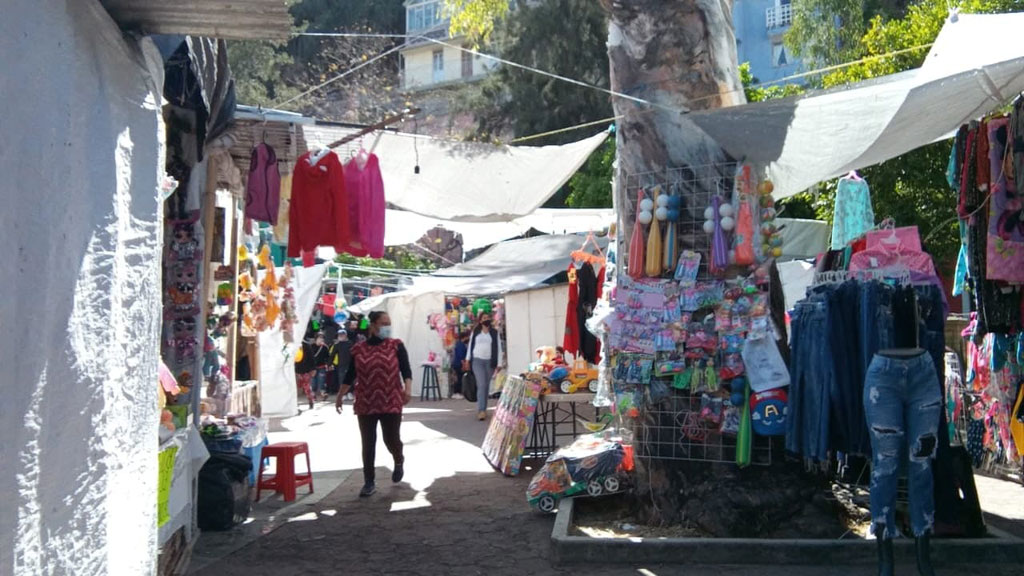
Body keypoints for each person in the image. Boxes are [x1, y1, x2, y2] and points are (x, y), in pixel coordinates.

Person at [336, 311, 413, 497]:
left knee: (391, 438)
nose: (387, 327)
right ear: (372, 325)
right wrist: (340, 395)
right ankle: (368, 481)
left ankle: (398, 459)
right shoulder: (358, 349)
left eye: (389, 323)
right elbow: (350, 374)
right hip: (366, 400)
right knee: (368, 442)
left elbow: (406, 370)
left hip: (391, 399)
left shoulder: (396, 346)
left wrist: (407, 389)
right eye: (383, 323)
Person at [466, 312, 502, 421]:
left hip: (490, 361)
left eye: (488, 317)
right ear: (480, 321)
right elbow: (471, 346)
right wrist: (467, 359)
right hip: (477, 360)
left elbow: (499, 348)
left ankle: (484, 409)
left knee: (486, 386)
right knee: (481, 384)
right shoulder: (476, 332)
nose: (486, 319)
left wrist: (499, 363)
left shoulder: (494, 333)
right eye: (484, 318)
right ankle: (481, 410)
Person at [327, 329, 352, 397]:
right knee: (342, 380)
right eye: (339, 335)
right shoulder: (337, 345)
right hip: (341, 365)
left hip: (350, 365)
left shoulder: (350, 344)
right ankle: (343, 394)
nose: (341, 336)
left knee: (350, 379)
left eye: (342, 335)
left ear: (346, 335)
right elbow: (332, 355)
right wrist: (329, 364)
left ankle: (349, 392)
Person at [450, 331, 469, 400]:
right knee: (459, 379)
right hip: (459, 364)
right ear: (464, 337)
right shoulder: (461, 345)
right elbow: (461, 356)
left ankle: (457, 392)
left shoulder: (459, 344)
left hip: (457, 363)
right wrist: (464, 364)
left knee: (458, 378)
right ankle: (457, 392)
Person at [311, 332, 330, 401]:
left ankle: (323, 394)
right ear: (316, 338)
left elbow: (328, 357)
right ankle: (313, 395)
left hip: (322, 367)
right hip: (313, 368)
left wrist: (328, 365)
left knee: (322, 381)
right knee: (313, 382)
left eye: (322, 338)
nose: (321, 339)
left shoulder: (325, 347)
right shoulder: (311, 346)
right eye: (320, 338)